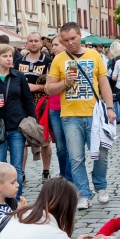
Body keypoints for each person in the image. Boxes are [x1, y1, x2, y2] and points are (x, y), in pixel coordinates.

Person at [46, 22, 116, 210]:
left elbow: (104, 84)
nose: (70, 43)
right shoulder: (59, 59)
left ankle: (101, 187)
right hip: (70, 117)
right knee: (76, 158)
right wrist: (65, 83)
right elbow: (49, 88)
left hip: (94, 115)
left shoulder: (94, 56)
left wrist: (110, 108)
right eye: (66, 40)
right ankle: (84, 193)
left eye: (73, 38)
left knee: (101, 155)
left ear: (80, 36)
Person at [0, 44, 36, 200]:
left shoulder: (18, 76)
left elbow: (28, 100)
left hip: (16, 126)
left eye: (11, 56)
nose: (9, 59)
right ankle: (1, 200)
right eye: (5, 56)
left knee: (16, 167)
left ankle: (16, 199)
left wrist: (32, 120)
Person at [16, 32, 53, 183]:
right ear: (26, 43)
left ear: (41, 43)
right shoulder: (18, 61)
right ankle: (21, 173)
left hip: (41, 104)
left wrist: (35, 87)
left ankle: (46, 171)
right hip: (21, 105)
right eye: (30, 40)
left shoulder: (48, 61)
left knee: (44, 138)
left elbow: (52, 85)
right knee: (22, 140)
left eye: (36, 41)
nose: (33, 43)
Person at [47, 36, 73, 182]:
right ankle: (63, 175)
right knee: (61, 147)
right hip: (55, 108)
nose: (54, 48)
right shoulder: (53, 63)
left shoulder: (70, 62)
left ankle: (69, 177)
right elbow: (47, 87)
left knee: (72, 145)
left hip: (70, 108)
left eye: (56, 45)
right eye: (53, 45)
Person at [0, 162, 26, 236]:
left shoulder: (2, 204)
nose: (17, 185)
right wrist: (18, 212)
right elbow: (9, 229)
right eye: (13, 183)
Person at [107, 41, 120, 124]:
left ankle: (118, 117)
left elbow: (109, 72)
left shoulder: (111, 60)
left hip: (113, 81)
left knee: (115, 100)